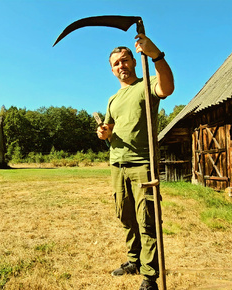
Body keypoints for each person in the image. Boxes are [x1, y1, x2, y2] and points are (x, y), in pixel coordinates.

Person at [96, 33, 174, 290]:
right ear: (111, 69)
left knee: (147, 219)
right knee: (126, 216)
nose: (121, 66)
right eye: (116, 63)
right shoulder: (112, 99)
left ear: (133, 61)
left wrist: (156, 55)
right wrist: (104, 133)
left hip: (142, 163)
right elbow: (110, 127)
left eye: (125, 60)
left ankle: (150, 277)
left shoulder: (147, 84)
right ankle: (134, 261)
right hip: (117, 163)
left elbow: (167, 88)